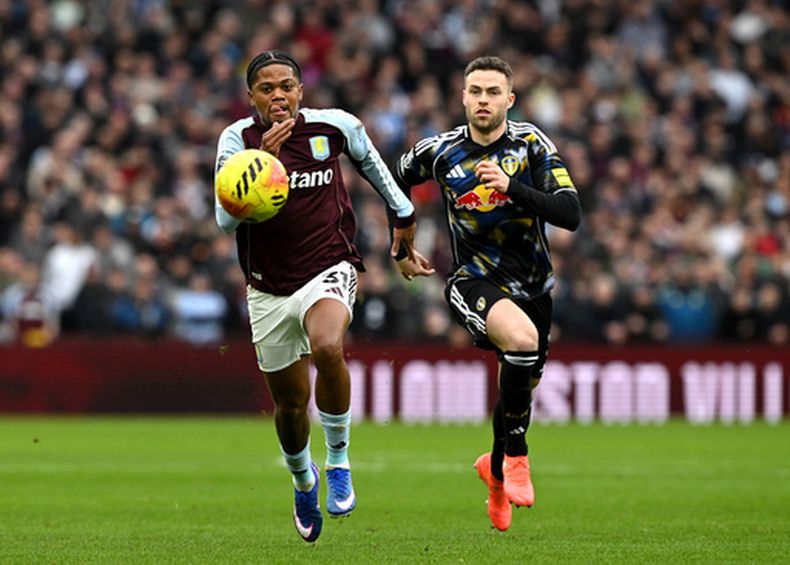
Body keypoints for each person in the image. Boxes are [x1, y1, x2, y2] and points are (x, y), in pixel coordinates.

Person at [213, 50, 418, 543]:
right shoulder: (237, 141)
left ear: (301, 91)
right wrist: (264, 162)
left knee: (328, 346)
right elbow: (224, 220)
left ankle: (340, 461)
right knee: (289, 406)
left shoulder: (335, 127)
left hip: (330, 265)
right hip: (267, 286)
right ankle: (303, 480)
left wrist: (404, 215)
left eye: (286, 86)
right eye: (266, 88)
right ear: (252, 98)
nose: (278, 96)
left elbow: (373, 164)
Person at [393, 55, 581, 531]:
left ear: (509, 100)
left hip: (535, 287)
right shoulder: (439, 151)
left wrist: (513, 188)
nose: (483, 100)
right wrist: (401, 240)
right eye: (475, 91)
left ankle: (494, 472)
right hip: (473, 280)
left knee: (521, 383)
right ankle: (517, 456)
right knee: (520, 344)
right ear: (462, 96)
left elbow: (570, 212)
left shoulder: (531, 144)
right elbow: (395, 176)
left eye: (493, 92)